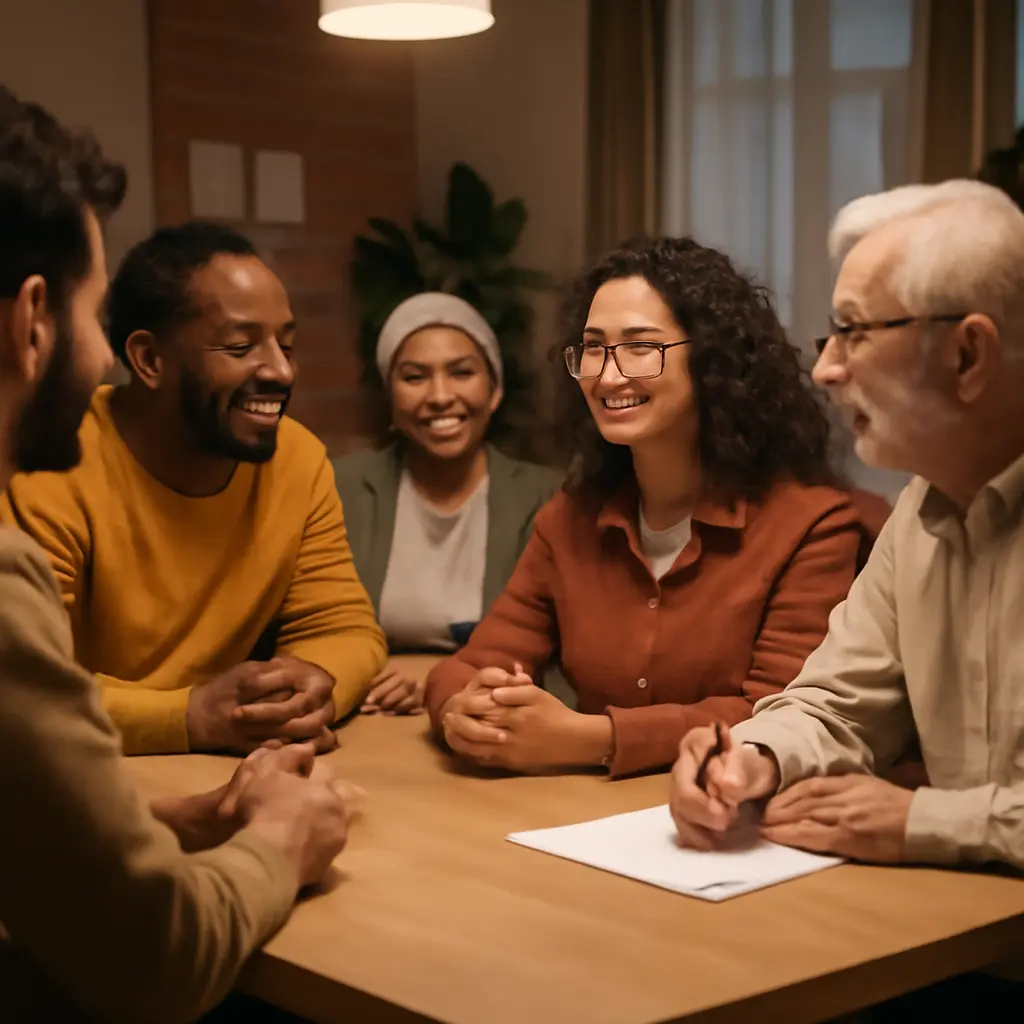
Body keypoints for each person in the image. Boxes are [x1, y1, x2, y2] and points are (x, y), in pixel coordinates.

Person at [0, 86, 354, 1024]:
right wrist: (279, 840)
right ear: (32, 319)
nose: (278, 368)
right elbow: (152, 960)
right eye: (90, 311)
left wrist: (171, 820)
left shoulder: (298, 460)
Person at [668, 180, 1024, 1015]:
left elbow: (916, 817)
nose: (824, 367)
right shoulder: (921, 508)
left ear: (969, 355)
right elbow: (838, 702)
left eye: (856, 332)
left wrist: (918, 822)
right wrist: (753, 757)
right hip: (953, 948)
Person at [424, 237, 881, 778]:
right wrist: (464, 710)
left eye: (642, 346)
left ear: (712, 360)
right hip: (581, 823)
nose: (609, 375)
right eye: (594, 347)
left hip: (734, 822)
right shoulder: (569, 518)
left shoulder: (812, 523)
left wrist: (594, 739)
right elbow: (471, 666)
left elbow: (785, 713)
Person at [2, 220, 387, 756]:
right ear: (150, 360)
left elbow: (343, 625)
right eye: (240, 346)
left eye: (288, 344)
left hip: (225, 770)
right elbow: (24, 687)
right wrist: (187, 717)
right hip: (73, 773)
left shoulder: (298, 460)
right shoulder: (55, 459)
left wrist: (307, 688)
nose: (280, 370)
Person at [333, 292, 560, 715]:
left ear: (494, 391)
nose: (440, 396)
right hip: (366, 716)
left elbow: (561, 648)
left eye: (461, 372)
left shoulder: (548, 498)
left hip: (487, 713)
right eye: (415, 377)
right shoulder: (338, 489)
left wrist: (439, 680)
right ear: (390, 398)